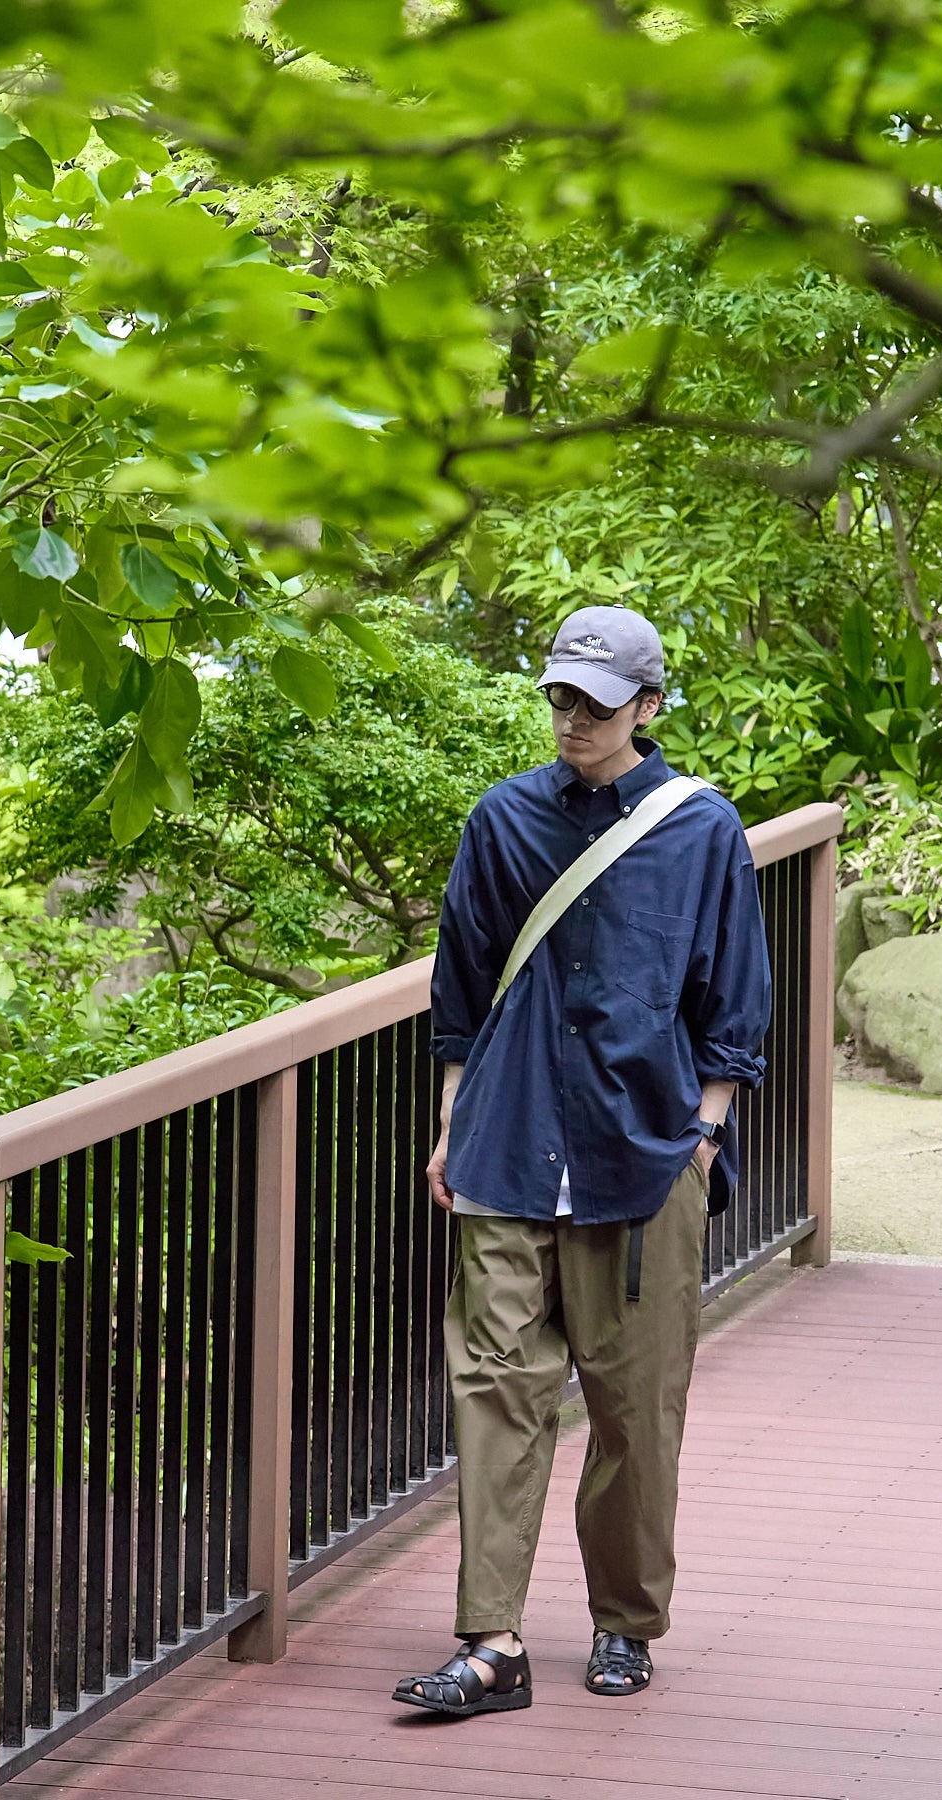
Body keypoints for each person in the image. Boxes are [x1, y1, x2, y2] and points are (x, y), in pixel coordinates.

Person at [392, 604, 772, 1718]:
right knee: (495, 1390)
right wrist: (454, 1121)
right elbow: (461, 993)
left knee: (632, 1407)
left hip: (644, 1154)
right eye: (560, 697)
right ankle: (492, 1644)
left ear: (649, 708)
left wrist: (702, 1134)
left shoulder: (700, 829)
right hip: (507, 1145)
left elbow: (734, 1003)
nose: (573, 720)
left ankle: (624, 1623)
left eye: (597, 705)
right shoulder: (502, 820)